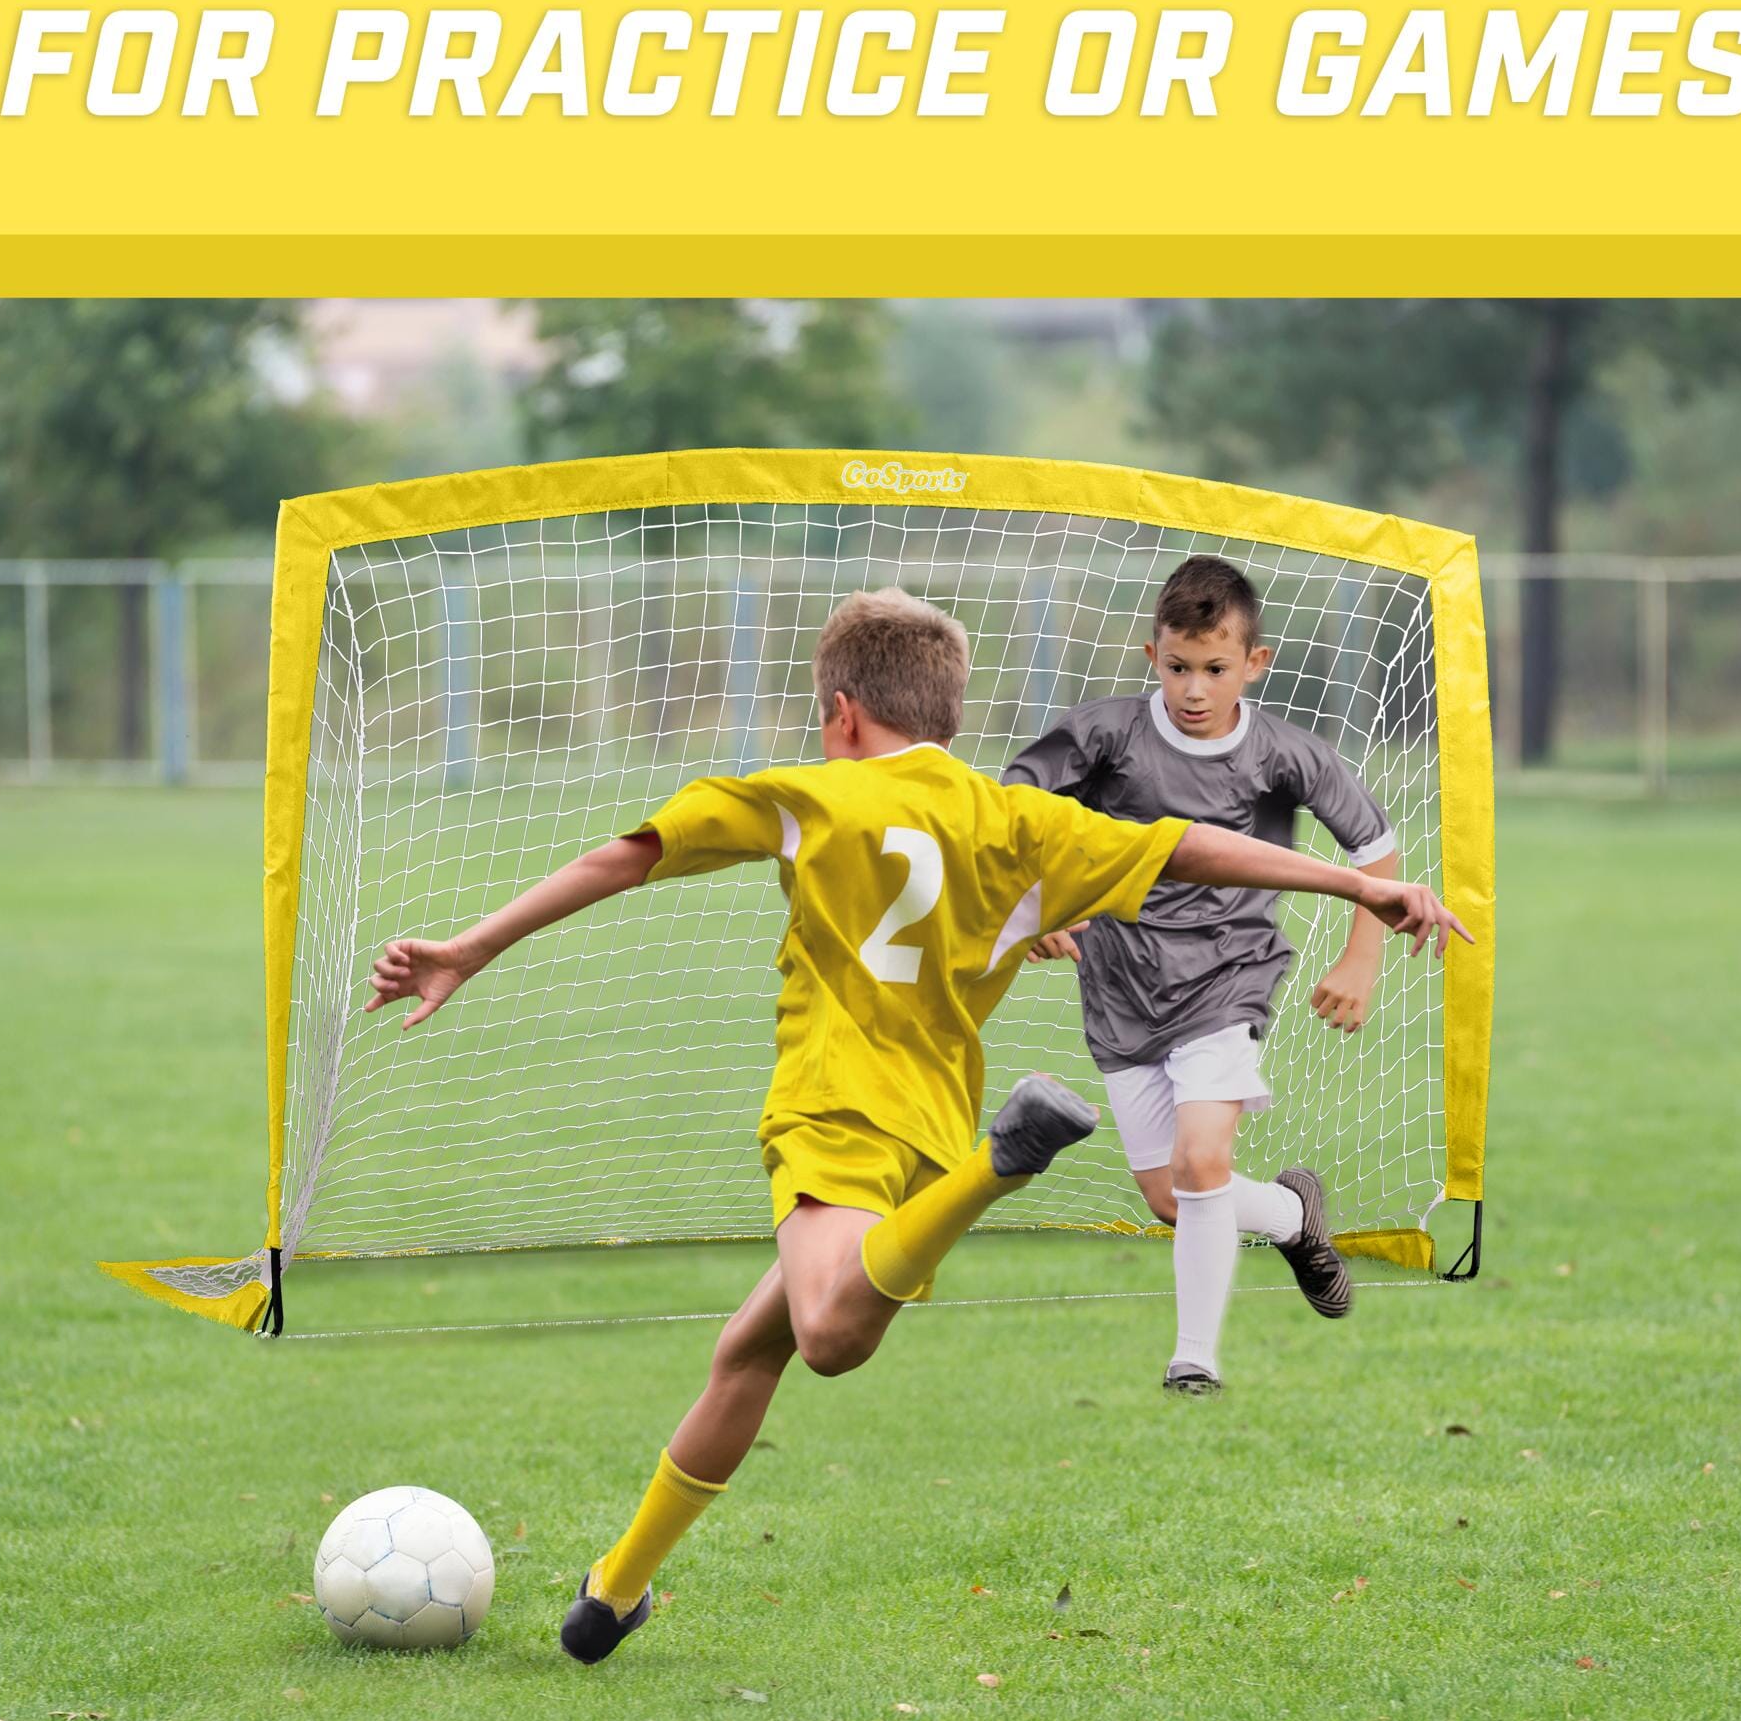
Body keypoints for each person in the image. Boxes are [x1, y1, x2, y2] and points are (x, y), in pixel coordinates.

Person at [365, 587, 1467, 1662]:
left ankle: (1005, 1162)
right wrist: (1352, 886)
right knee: (746, 1351)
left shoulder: (806, 794)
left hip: (835, 1109)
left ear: (842, 712)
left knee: (827, 1335)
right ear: (949, 709)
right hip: (924, 1133)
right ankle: (616, 1587)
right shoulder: (1013, 818)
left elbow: (626, 856)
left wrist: (473, 946)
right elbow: (1186, 844)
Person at [1006, 554, 1406, 1394]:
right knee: (1174, 1195)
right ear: (1152, 655)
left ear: (1254, 663)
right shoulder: (1104, 735)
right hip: (1119, 989)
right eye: (1179, 667)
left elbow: (1375, 849)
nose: (1194, 689)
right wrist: (1035, 903)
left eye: (1215, 670)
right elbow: (1009, 812)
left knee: (1200, 1161)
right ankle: (1294, 1215)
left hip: (1229, 978)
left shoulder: (1285, 754)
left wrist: (1361, 956)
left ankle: (1194, 1362)